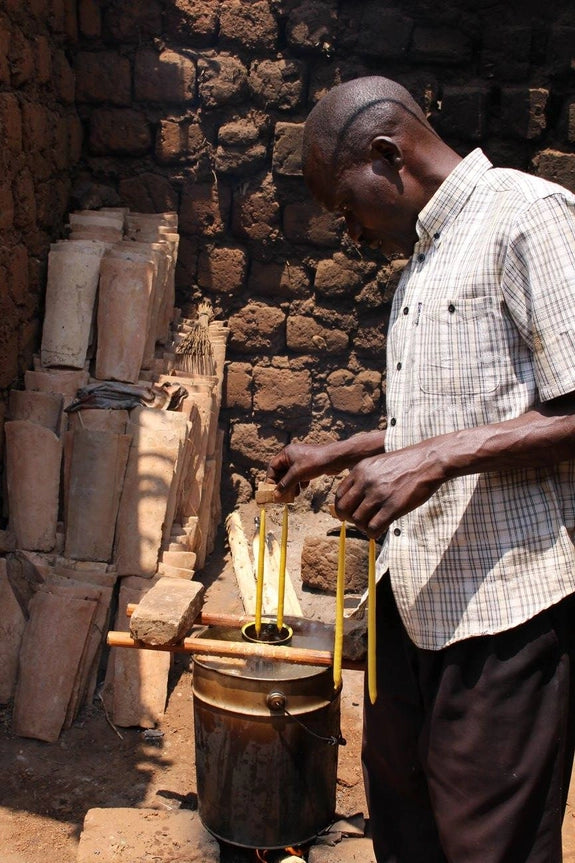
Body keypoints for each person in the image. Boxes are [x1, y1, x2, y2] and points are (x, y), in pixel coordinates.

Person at [266, 75, 575, 863]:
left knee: (487, 844)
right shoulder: (425, 262)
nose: (352, 233)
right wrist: (343, 450)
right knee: (405, 832)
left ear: (385, 155)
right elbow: (459, 413)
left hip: (503, 612)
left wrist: (432, 460)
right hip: (414, 598)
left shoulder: (527, 217)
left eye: (346, 208)